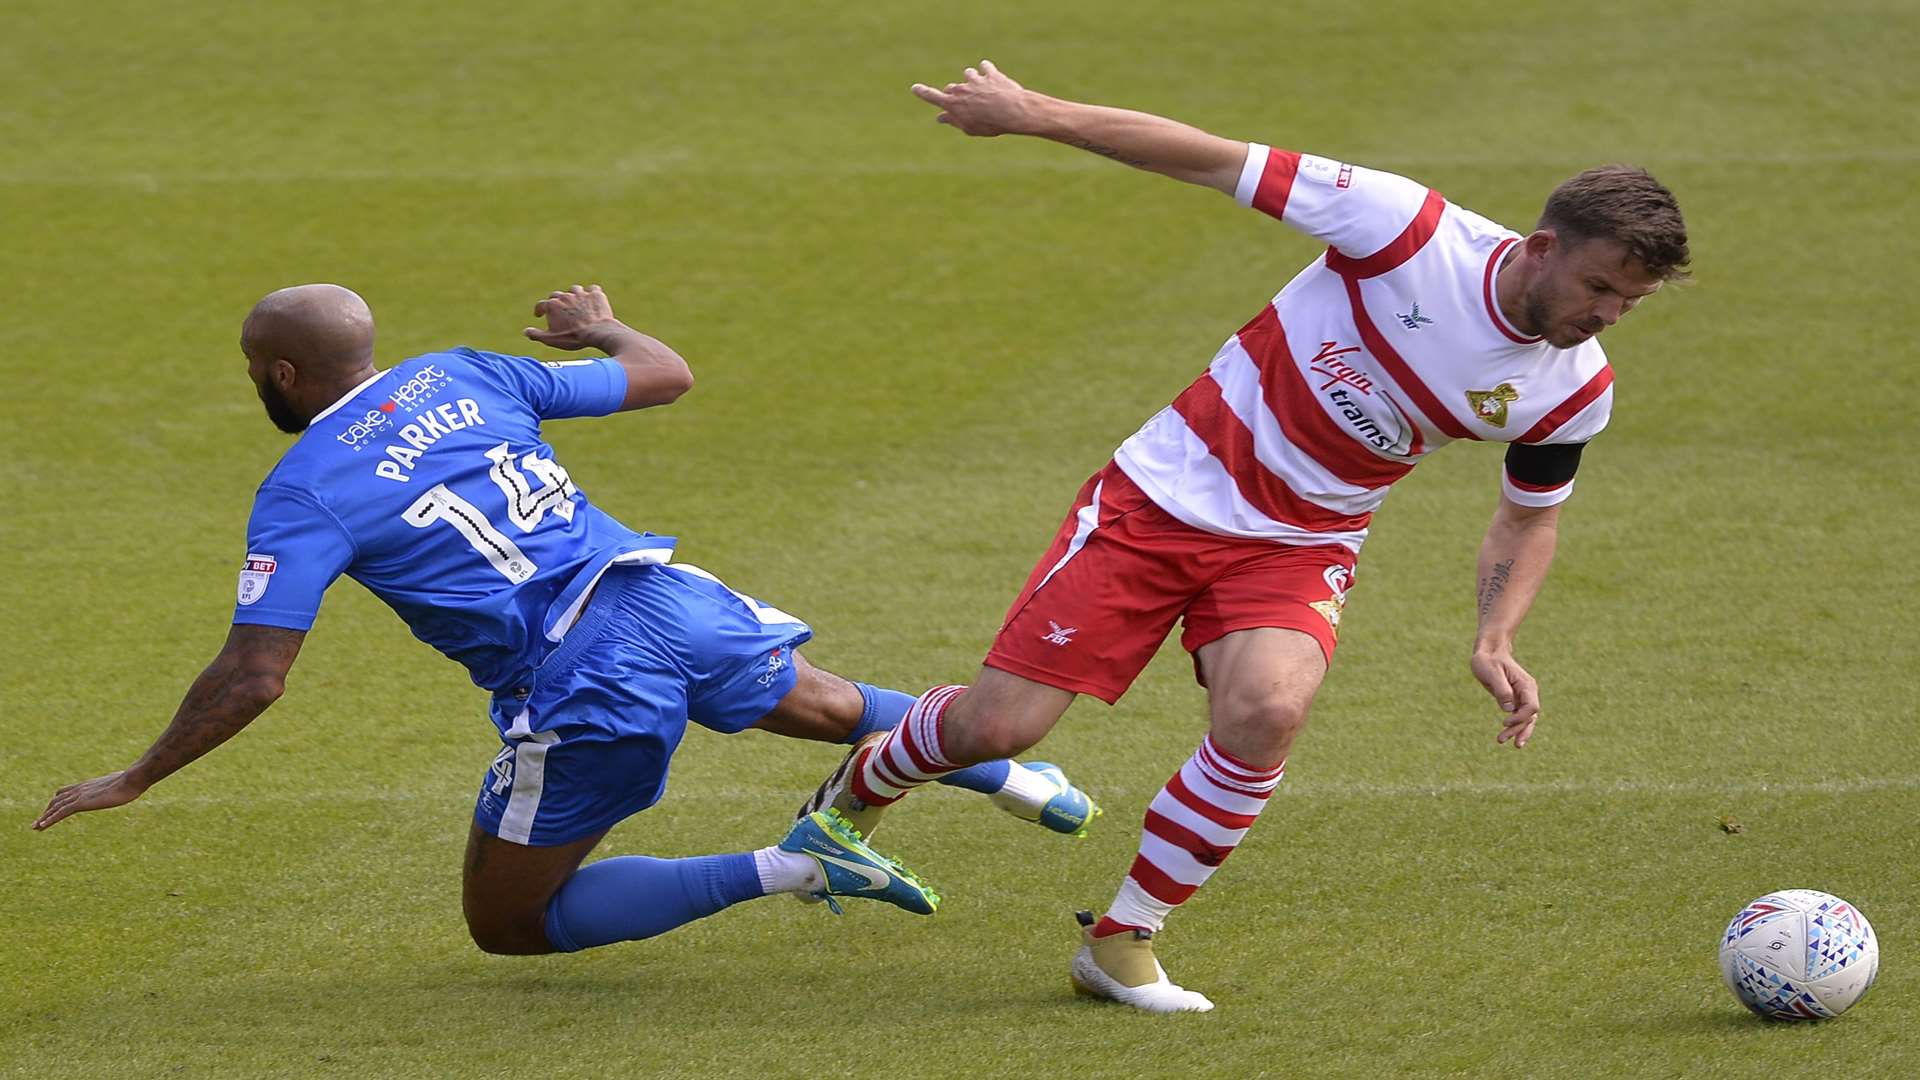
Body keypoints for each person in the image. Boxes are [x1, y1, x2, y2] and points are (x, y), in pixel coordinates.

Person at [805, 61, 1691, 1012]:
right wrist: (1029, 114)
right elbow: (1206, 159)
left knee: (1268, 713)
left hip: (1302, 542)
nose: (1606, 315)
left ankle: (1123, 940)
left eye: (1630, 304)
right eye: (1599, 287)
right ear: (1543, 246)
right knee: (997, 728)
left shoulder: (1574, 388)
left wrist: (1495, 635)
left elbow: (1528, 513)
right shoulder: (1405, 230)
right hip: (1165, 494)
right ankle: (857, 793)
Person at [34, 282, 1097, 955]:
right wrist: (601, 327)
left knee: (511, 925)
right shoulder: (464, 373)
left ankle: (808, 863)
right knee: (825, 706)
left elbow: (254, 675)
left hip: (585, 680)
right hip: (668, 598)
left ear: (279, 375)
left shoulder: (302, 490)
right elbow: (663, 375)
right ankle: (1009, 770)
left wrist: (135, 776)